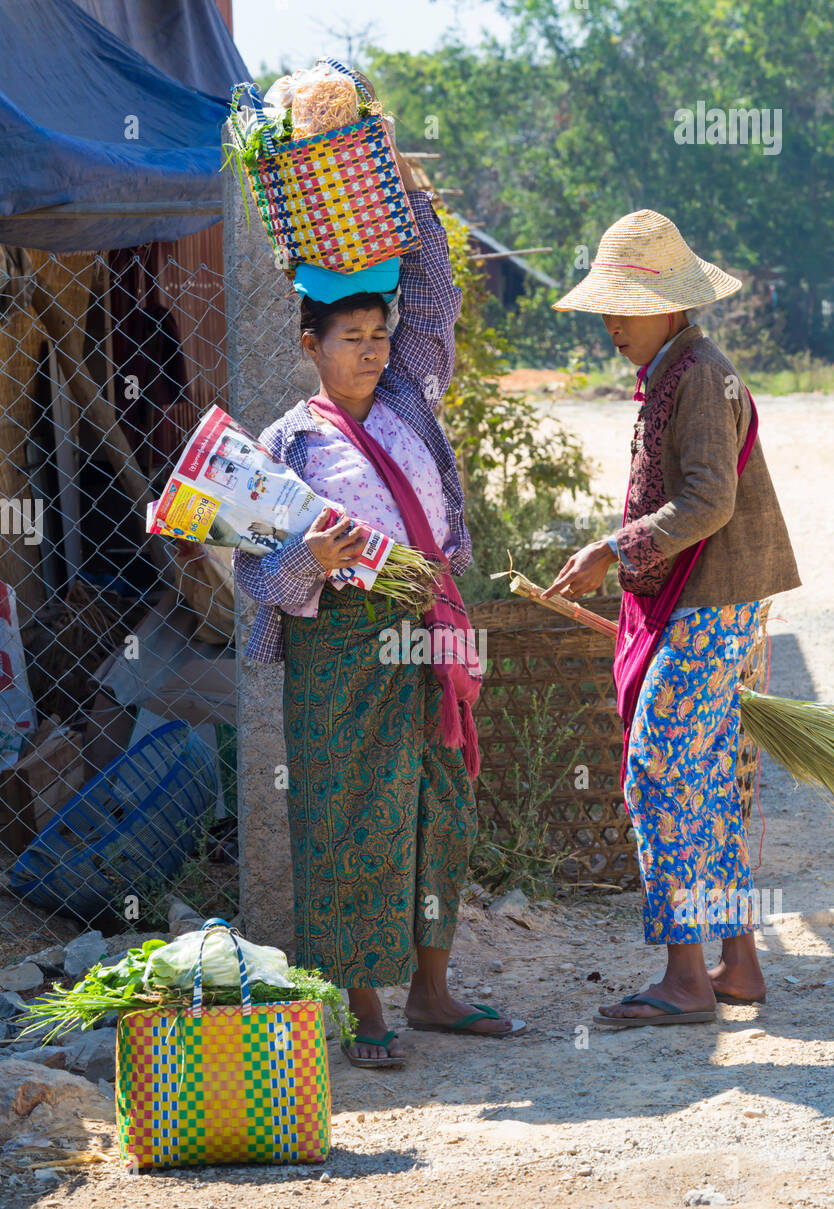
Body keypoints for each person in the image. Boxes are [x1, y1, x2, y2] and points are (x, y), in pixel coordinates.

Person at [233, 139, 524, 1066]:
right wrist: (309, 558)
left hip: (428, 632)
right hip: (342, 653)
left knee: (441, 804)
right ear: (310, 346)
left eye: (378, 336)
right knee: (347, 815)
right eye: (350, 339)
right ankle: (365, 1010)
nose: (371, 351)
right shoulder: (285, 447)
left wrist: (409, 191)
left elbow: (435, 303)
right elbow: (257, 575)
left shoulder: (409, 402)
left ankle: (434, 993)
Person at [544, 208, 800, 1027]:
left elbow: (708, 499)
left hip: (704, 608)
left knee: (664, 773)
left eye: (625, 304)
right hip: (717, 605)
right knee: (716, 778)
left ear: (673, 304)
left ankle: (687, 979)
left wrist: (611, 553)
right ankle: (738, 966)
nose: (612, 323)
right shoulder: (684, 369)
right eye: (607, 306)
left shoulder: (696, 375)